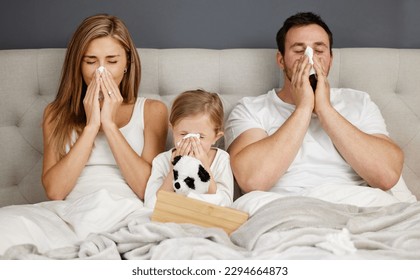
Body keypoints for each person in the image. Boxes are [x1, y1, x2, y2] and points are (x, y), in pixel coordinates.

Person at [0, 14, 168, 255]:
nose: (101, 72)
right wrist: (91, 127)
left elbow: (146, 189)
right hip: (68, 216)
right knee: (6, 223)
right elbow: (55, 191)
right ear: (78, 64)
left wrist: (109, 125)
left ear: (127, 62)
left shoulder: (153, 110)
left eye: (111, 60)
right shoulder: (55, 113)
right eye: (91, 61)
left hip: (127, 212)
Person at [224, 12, 404, 198]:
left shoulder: (359, 102)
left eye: (319, 51)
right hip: (286, 205)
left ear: (330, 60)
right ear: (281, 60)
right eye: (299, 51)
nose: (310, 59)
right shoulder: (251, 109)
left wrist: (325, 109)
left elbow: (387, 176)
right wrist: (303, 109)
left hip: (356, 203)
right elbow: (252, 180)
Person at [144, 90, 234, 208]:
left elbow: (225, 204)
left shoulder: (221, 159)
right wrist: (173, 172)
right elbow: (150, 205)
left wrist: (205, 169)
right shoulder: (161, 161)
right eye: (183, 134)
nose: (191, 142)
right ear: (173, 130)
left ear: (215, 138)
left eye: (200, 137)